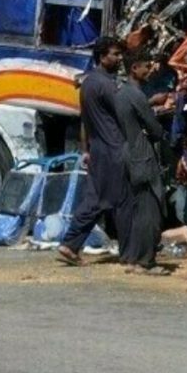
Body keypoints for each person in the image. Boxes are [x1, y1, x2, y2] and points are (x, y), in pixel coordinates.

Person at [58, 37, 134, 267]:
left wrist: (86, 149)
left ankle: (71, 244)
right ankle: (129, 252)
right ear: (102, 57)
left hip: (98, 147)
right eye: (115, 54)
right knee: (118, 200)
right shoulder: (106, 84)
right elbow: (125, 110)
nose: (119, 58)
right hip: (113, 148)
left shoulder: (88, 82)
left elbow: (85, 121)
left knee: (97, 197)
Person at [116, 48, 171, 276]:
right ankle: (145, 261)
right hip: (142, 156)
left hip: (128, 153)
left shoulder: (122, 93)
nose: (150, 70)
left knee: (139, 209)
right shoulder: (137, 95)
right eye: (146, 66)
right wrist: (156, 110)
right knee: (151, 210)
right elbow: (154, 130)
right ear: (134, 68)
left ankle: (133, 257)